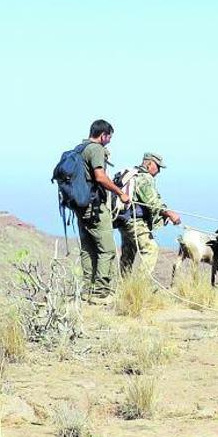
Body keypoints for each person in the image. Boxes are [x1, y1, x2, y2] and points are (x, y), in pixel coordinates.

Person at [78, 119, 129, 305]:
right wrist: (120, 193)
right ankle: (101, 293)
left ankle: (87, 290)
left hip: (81, 207)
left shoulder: (80, 148)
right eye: (109, 137)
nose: (109, 141)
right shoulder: (96, 149)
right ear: (103, 135)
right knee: (107, 250)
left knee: (88, 249)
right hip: (95, 208)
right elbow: (100, 176)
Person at [118, 152, 181, 275]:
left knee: (128, 254)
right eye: (157, 167)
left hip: (125, 220)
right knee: (151, 249)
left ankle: (125, 287)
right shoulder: (144, 179)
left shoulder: (133, 175)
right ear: (149, 163)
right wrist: (170, 214)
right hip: (136, 222)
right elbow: (153, 203)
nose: (158, 171)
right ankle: (140, 286)